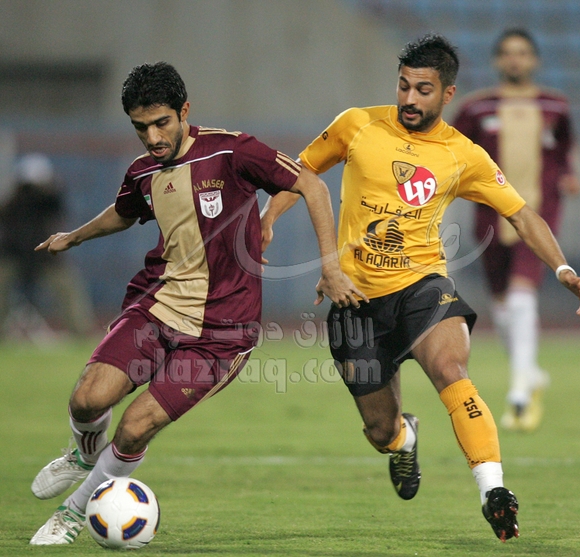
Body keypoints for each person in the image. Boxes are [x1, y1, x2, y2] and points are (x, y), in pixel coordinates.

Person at [260, 34, 580, 542]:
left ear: (448, 93)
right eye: (403, 86)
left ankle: (494, 490)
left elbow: (521, 213)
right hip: (356, 302)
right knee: (380, 432)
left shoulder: (463, 154)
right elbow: (302, 171)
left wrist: (562, 267)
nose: (409, 99)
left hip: (423, 288)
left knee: (451, 370)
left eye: (423, 90)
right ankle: (404, 439)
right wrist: (268, 217)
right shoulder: (356, 125)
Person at [29, 61, 366, 546]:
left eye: (161, 123)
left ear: (184, 111)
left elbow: (312, 185)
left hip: (221, 334)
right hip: (158, 306)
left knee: (134, 428)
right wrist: (75, 237)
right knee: (87, 399)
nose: (152, 137)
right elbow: (124, 213)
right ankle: (83, 454)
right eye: (140, 127)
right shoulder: (142, 171)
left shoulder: (233, 150)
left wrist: (330, 268)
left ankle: (74, 511)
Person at [452, 28, 580, 432]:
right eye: (508, 53)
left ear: (534, 60)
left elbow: (563, 148)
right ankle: (531, 374)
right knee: (503, 305)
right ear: (497, 60)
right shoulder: (477, 108)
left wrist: (566, 174)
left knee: (523, 295)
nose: (515, 59)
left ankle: (520, 393)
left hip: (539, 214)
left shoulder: (554, 106)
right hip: (490, 217)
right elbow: (450, 149)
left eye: (523, 52)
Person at [0, 153, 96, 340]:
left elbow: (56, 202)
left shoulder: (49, 200)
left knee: (68, 287)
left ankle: (80, 333)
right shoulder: (12, 203)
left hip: (46, 255)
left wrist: (45, 189)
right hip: (14, 254)